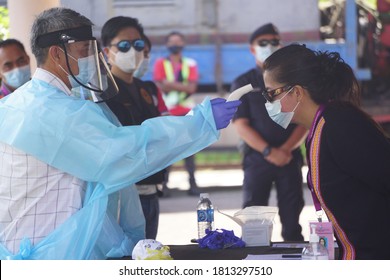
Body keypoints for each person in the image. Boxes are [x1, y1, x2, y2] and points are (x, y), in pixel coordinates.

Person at [0, 7, 241, 260]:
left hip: (18, 248)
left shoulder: (14, 105)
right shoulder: (58, 110)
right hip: (53, 254)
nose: (90, 60)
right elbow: (124, 152)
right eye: (84, 51)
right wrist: (200, 122)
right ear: (57, 54)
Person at [262, 43, 390, 259]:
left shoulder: (340, 125)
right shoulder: (321, 126)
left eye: (271, 94)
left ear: (297, 92)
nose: (268, 103)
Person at [231, 23, 307, 241]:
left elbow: (304, 119)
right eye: (263, 43)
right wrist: (268, 151)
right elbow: (241, 125)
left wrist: (284, 150)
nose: (269, 46)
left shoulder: (293, 80)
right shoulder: (243, 83)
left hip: (288, 156)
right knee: (253, 219)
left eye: (274, 42)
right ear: (252, 49)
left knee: (292, 216)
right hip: (258, 157)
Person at [100, 16, 167, 240]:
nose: (133, 51)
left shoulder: (144, 89)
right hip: (121, 198)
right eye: (124, 45)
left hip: (150, 191)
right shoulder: (101, 91)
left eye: (138, 45)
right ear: (107, 50)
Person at [153, 31, 200, 195]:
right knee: (169, 150)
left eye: (178, 41)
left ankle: (192, 185)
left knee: (189, 150)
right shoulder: (160, 63)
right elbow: (160, 85)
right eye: (172, 41)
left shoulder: (190, 63)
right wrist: (182, 86)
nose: (175, 44)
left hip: (187, 112)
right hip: (168, 112)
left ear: (183, 44)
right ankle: (164, 185)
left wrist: (169, 83)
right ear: (167, 45)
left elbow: (192, 88)